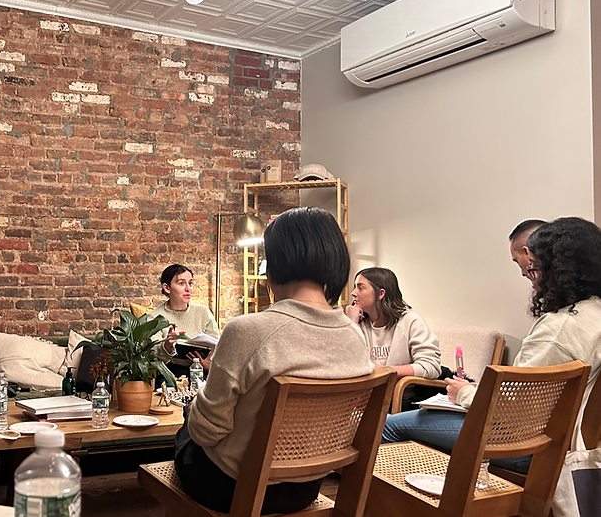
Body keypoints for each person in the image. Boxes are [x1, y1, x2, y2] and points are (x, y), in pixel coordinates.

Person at [174, 207, 374, 513]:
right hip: (307, 486)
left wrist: (194, 412)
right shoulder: (356, 338)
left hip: (231, 485)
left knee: (189, 425)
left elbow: (207, 432)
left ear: (272, 266)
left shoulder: (247, 330)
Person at [381, 217, 601, 476]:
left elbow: (509, 409)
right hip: (556, 441)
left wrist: (463, 394)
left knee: (387, 426)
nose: (528, 272)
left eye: (535, 266)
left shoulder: (559, 331)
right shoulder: (593, 313)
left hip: (529, 446)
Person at [345, 267, 441, 379]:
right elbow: (344, 365)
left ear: (381, 294)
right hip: (364, 395)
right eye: (355, 287)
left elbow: (430, 366)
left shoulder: (410, 321)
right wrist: (351, 323)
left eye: (360, 288)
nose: (353, 293)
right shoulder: (357, 323)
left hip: (403, 395)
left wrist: (384, 371)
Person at [146, 264, 220, 372]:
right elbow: (152, 358)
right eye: (181, 283)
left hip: (203, 372)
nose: (188, 289)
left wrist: (208, 363)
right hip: (168, 373)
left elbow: (217, 346)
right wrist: (166, 346)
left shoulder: (203, 312)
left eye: (190, 283)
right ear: (167, 288)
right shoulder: (154, 318)